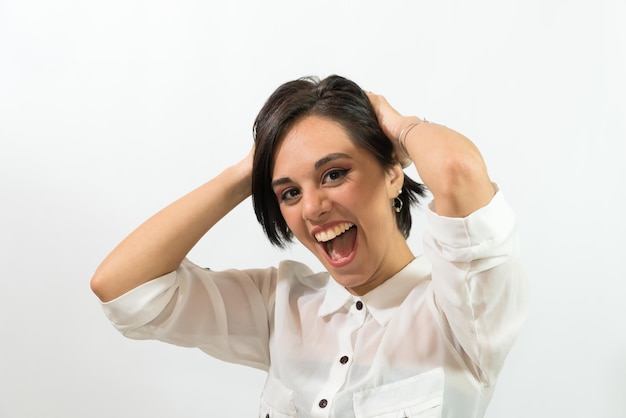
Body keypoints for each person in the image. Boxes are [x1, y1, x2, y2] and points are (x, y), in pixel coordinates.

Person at [91, 75, 529, 418]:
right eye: (289, 193)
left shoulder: (461, 314)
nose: (314, 208)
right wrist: (249, 170)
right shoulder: (281, 305)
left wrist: (397, 125)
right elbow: (122, 287)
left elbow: (457, 173)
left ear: (393, 173)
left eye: (334, 173)